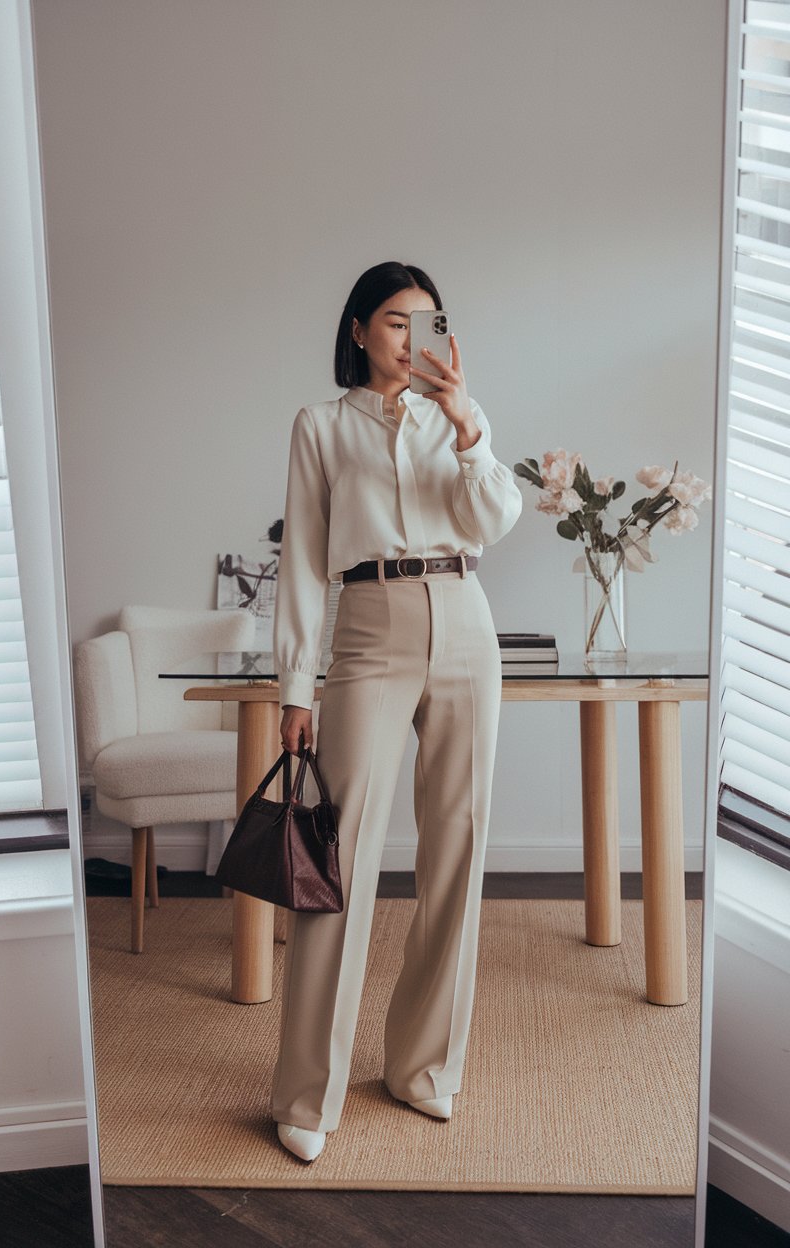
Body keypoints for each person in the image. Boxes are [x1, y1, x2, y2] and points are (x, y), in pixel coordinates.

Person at [270, 260, 523, 1162]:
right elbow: (303, 562)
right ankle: (306, 1093)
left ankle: (423, 1070)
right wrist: (295, 689)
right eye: (394, 322)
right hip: (369, 625)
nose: (411, 339)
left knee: (459, 841)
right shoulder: (321, 427)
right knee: (338, 859)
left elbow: (494, 519)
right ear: (358, 331)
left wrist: (465, 427)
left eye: (426, 322)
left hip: (464, 617)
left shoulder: (460, 417)